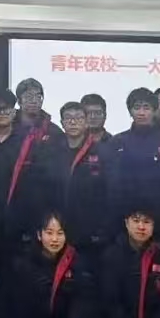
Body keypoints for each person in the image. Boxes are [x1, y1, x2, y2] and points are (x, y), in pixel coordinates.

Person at [0, 89, 60, 261]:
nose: (1, 113)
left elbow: (41, 184)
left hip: (21, 231)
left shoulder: (29, 142)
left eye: (6, 108)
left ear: (14, 112)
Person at [10, 212, 94, 318]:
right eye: (49, 233)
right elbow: (20, 308)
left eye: (60, 233)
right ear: (39, 235)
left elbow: (84, 295)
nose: (55, 239)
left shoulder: (76, 260)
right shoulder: (25, 263)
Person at [106, 88, 160, 243]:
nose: (141, 112)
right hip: (124, 218)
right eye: (137, 107)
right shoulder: (117, 142)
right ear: (130, 111)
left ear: (154, 110)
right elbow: (111, 184)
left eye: (146, 107)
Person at [58, 102, 110, 252]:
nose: (73, 122)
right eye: (68, 118)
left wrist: (102, 228)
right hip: (59, 228)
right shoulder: (52, 151)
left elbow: (109, 192)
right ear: (62, 123)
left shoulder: (102, 152)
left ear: (87, 122)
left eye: (78, 118)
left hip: (91, 230)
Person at [14, 78, 65, 146]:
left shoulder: (53, 131)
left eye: (38, 97)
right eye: (29, 97)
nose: (34, 101)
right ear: (19, 101)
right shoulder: (9, 127)